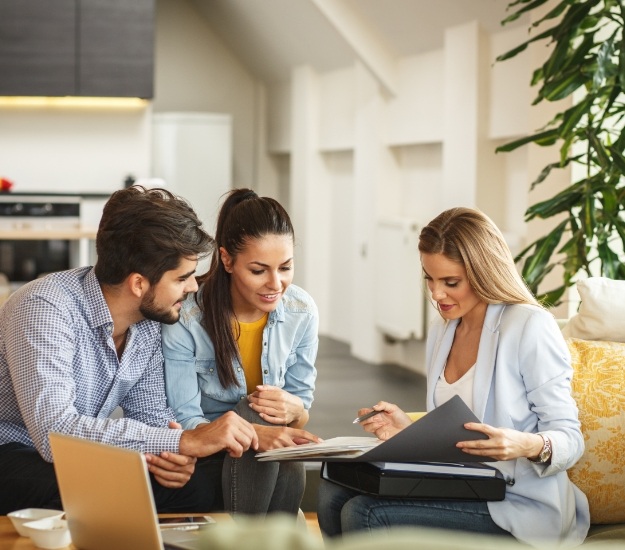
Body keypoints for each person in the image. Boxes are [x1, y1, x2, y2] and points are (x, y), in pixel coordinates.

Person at [317, 207, 590, 546]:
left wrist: (526, 444)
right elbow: (458, 431)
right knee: (332, 493)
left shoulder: (529, 326)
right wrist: (408, 429)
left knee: (365, 512)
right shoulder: (443, 331)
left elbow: (571, 440)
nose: (436, 294)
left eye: (451, 282)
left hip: (518, 504)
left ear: (484, 272)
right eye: (429, 278)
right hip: (463, 486)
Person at [0, 186, 259, 515]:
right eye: (182, 278)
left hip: (78, 456)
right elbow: (55, 432)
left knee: (197, 485)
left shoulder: (148, 323)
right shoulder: (45, 307)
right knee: (99, 486)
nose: (193, 287)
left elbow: (151, 417)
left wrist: (171, 458)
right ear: (139, 284)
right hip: (13, 450)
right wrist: (181, 442)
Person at [162, 188, 320, 517]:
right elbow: (185, 419)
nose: (276, 284)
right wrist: (255, 432)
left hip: (268, 456)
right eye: (259, 271)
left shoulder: (302, 311)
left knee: (275, 429)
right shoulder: (188, 318)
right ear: (227, 260)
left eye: (286, 268)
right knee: (254, 412)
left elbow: (300, 412)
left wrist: (294, 409)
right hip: (210, 452)